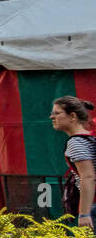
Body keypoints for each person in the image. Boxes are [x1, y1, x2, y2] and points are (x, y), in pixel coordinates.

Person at [51, 96, 95, 229]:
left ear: (72, 116)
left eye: (57, 113)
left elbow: (88, 177)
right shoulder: (91, 138)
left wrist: (84, 213)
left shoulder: (76, 142)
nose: (51, 117)